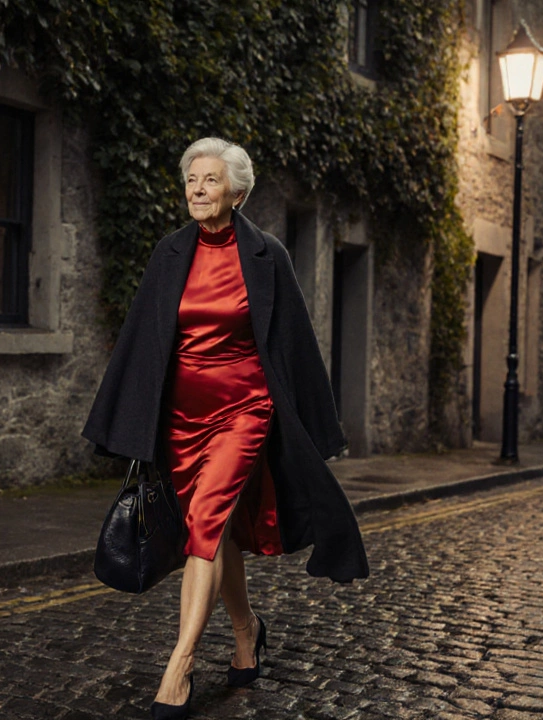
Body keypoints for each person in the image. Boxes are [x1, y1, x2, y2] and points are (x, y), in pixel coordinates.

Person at [83, 137, 368, 719]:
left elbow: (295, 344)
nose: (197, 189)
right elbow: (143, 340)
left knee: (207, 520)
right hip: (181, 417)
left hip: (244, 409)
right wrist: (131, 418)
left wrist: (313, 426)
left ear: (237, 192)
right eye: (191, 179)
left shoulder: (267, 255)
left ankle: (180, 663)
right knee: (213, 533)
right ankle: (246, 630)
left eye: (210, 180)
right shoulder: (169, 253)